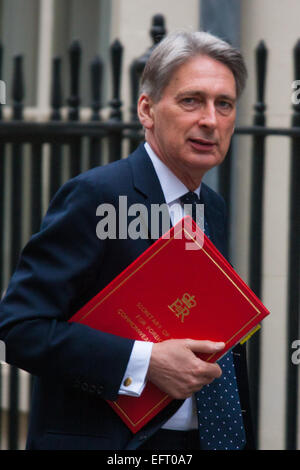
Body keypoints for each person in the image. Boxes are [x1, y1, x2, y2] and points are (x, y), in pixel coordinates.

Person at [0, 30, 254, 450]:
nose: (210, 119)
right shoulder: (98, 195)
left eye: (223, 104)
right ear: (147, 109)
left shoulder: (213, 206)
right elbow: (22, 328)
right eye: (191, 100)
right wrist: (145, 363)